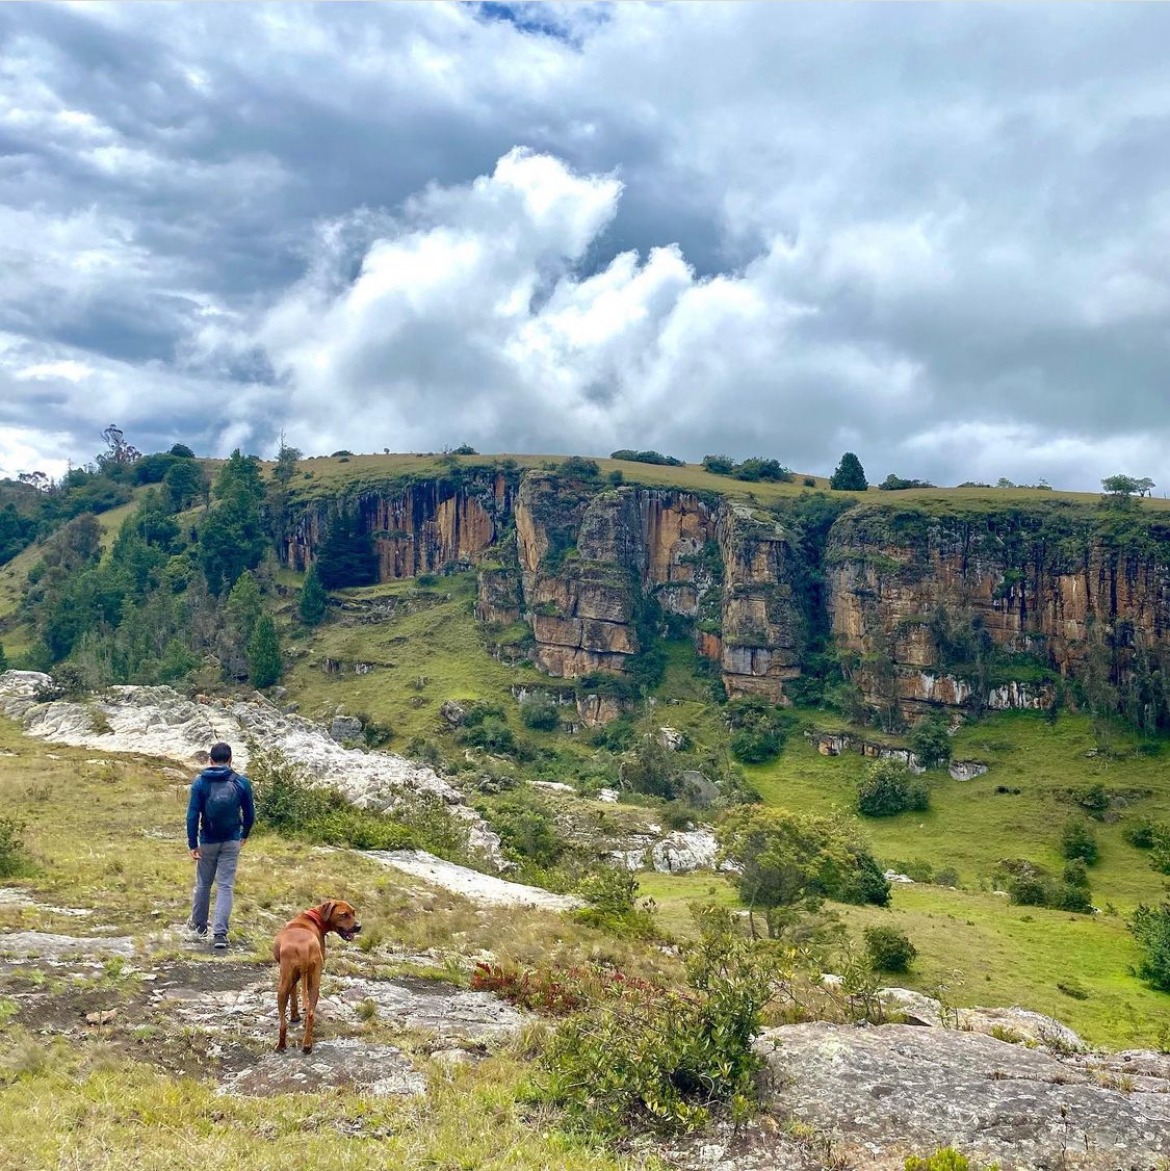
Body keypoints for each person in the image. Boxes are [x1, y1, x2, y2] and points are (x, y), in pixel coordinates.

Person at [186, 742, 255, 949]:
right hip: (231, 839)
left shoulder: (200, 783)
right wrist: (244, 834)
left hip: (207, 840)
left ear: (210, 760)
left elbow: (192, 815)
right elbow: (250, 814)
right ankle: (220, 935)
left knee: (203, 884)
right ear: (231, 760)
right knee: (225, 886)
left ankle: (198, 928)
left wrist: (192, 843)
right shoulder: (241, 782)